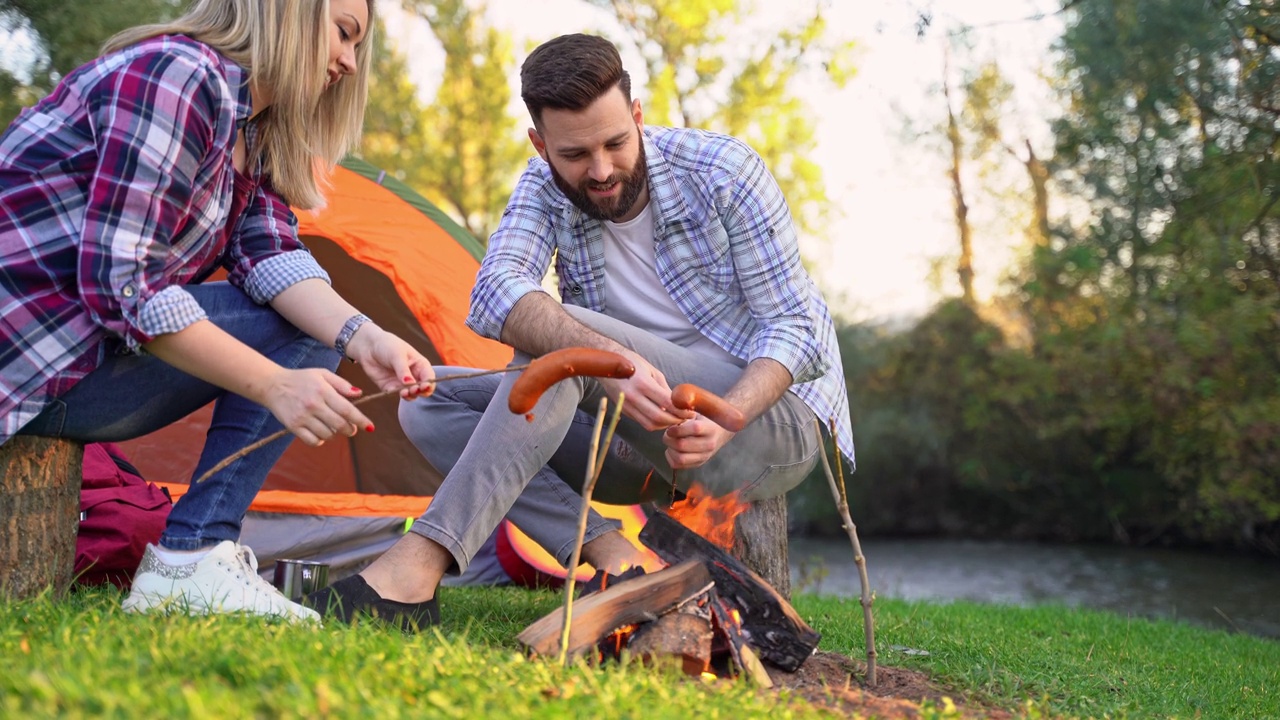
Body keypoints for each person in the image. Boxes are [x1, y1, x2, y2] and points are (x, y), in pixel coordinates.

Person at [306, 32, 854, 629]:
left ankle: (415, 566)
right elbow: (494, 293)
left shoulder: (725, 172)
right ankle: (612, 551)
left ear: (638, 116)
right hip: (631, 443)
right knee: (428, 404)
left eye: (616, 142)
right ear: (540, 146)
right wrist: (612, 360)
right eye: (574, 155)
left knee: (570, 341)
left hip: (762, 426)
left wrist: (728, 416)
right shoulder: (542, 190)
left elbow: (797, 328)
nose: (600, 170)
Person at [0, 0, 435, 622]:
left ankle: (194, 556)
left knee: (313, 328)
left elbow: (273, 259)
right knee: (294, 342)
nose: (348, 60)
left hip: (77, 363)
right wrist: (276, 385)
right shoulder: (175, 75)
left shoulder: (251, 131)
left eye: (356, 45)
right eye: (343, 33)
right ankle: (190, 558)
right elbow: (123, 283)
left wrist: (368, 338)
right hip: (26, 365)